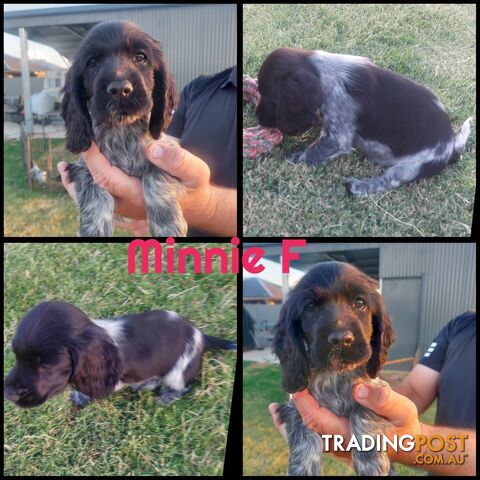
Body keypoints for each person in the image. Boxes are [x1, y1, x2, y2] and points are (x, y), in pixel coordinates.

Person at [269, 311, 476, 475]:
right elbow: (414, 392)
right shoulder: (461, 325)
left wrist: (401, 442)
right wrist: (366, 404)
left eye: (359, 304)